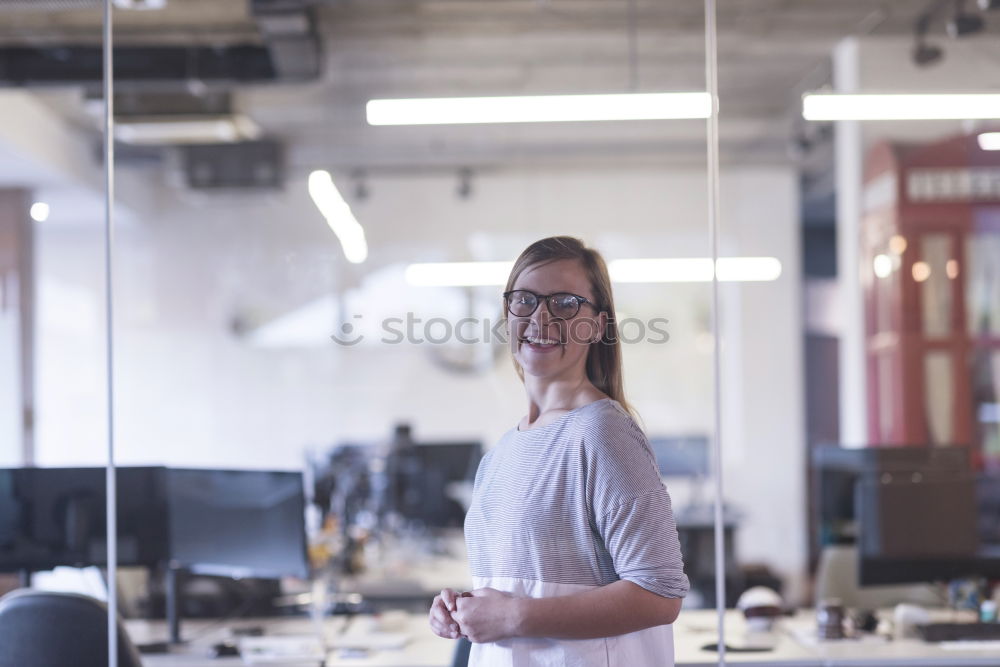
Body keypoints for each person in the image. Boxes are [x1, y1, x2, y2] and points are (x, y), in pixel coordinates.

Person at [428, 236, 689, 665]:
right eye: (525, 300)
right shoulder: (502, 452)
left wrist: (514, 616)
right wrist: (465, 608)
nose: (541, 317)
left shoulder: (603, 434)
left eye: (565, 303)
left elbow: (659, 594)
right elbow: (531, 584)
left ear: (599, 325)